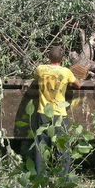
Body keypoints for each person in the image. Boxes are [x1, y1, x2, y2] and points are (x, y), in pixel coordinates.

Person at [33, 46, 82, 175]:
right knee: (62, 145)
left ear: (48, 57)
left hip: (43, 112)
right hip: (59, 114)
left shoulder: (40, 69)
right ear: (63, 59)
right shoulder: (66, 72)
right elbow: (78, 85)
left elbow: (35, 78)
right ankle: (63, 177)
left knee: (42, 145)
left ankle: (40, 177)